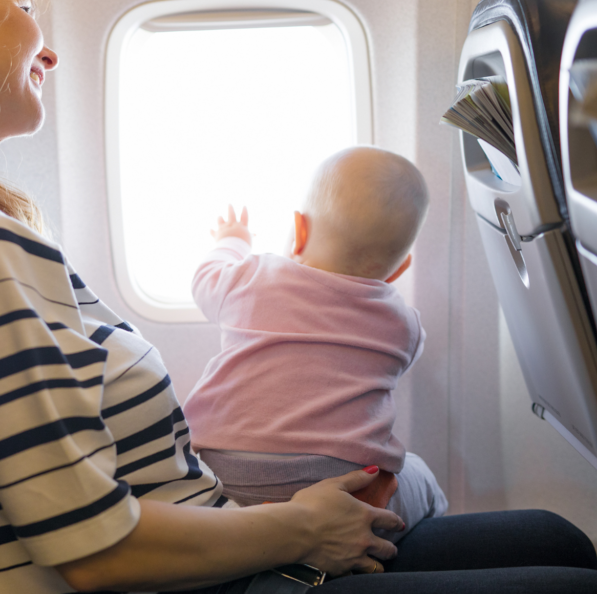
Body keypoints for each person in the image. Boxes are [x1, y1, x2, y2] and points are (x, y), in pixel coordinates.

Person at [0, 0, 597, 594]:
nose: (49, 52)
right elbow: (91, 547)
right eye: (28, 9)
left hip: (221, 543)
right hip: (210, 577)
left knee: (559, 542)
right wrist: (298, 529)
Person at [184, 148, 447, 543]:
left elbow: (205, 278)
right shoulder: (404, 325)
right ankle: (428, 543)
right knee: (420, 475)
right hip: (348, 493)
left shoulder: (253, 277)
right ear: (400, 268)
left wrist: (233, 240)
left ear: (299, 230)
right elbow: (405, 359)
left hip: (224, 481)